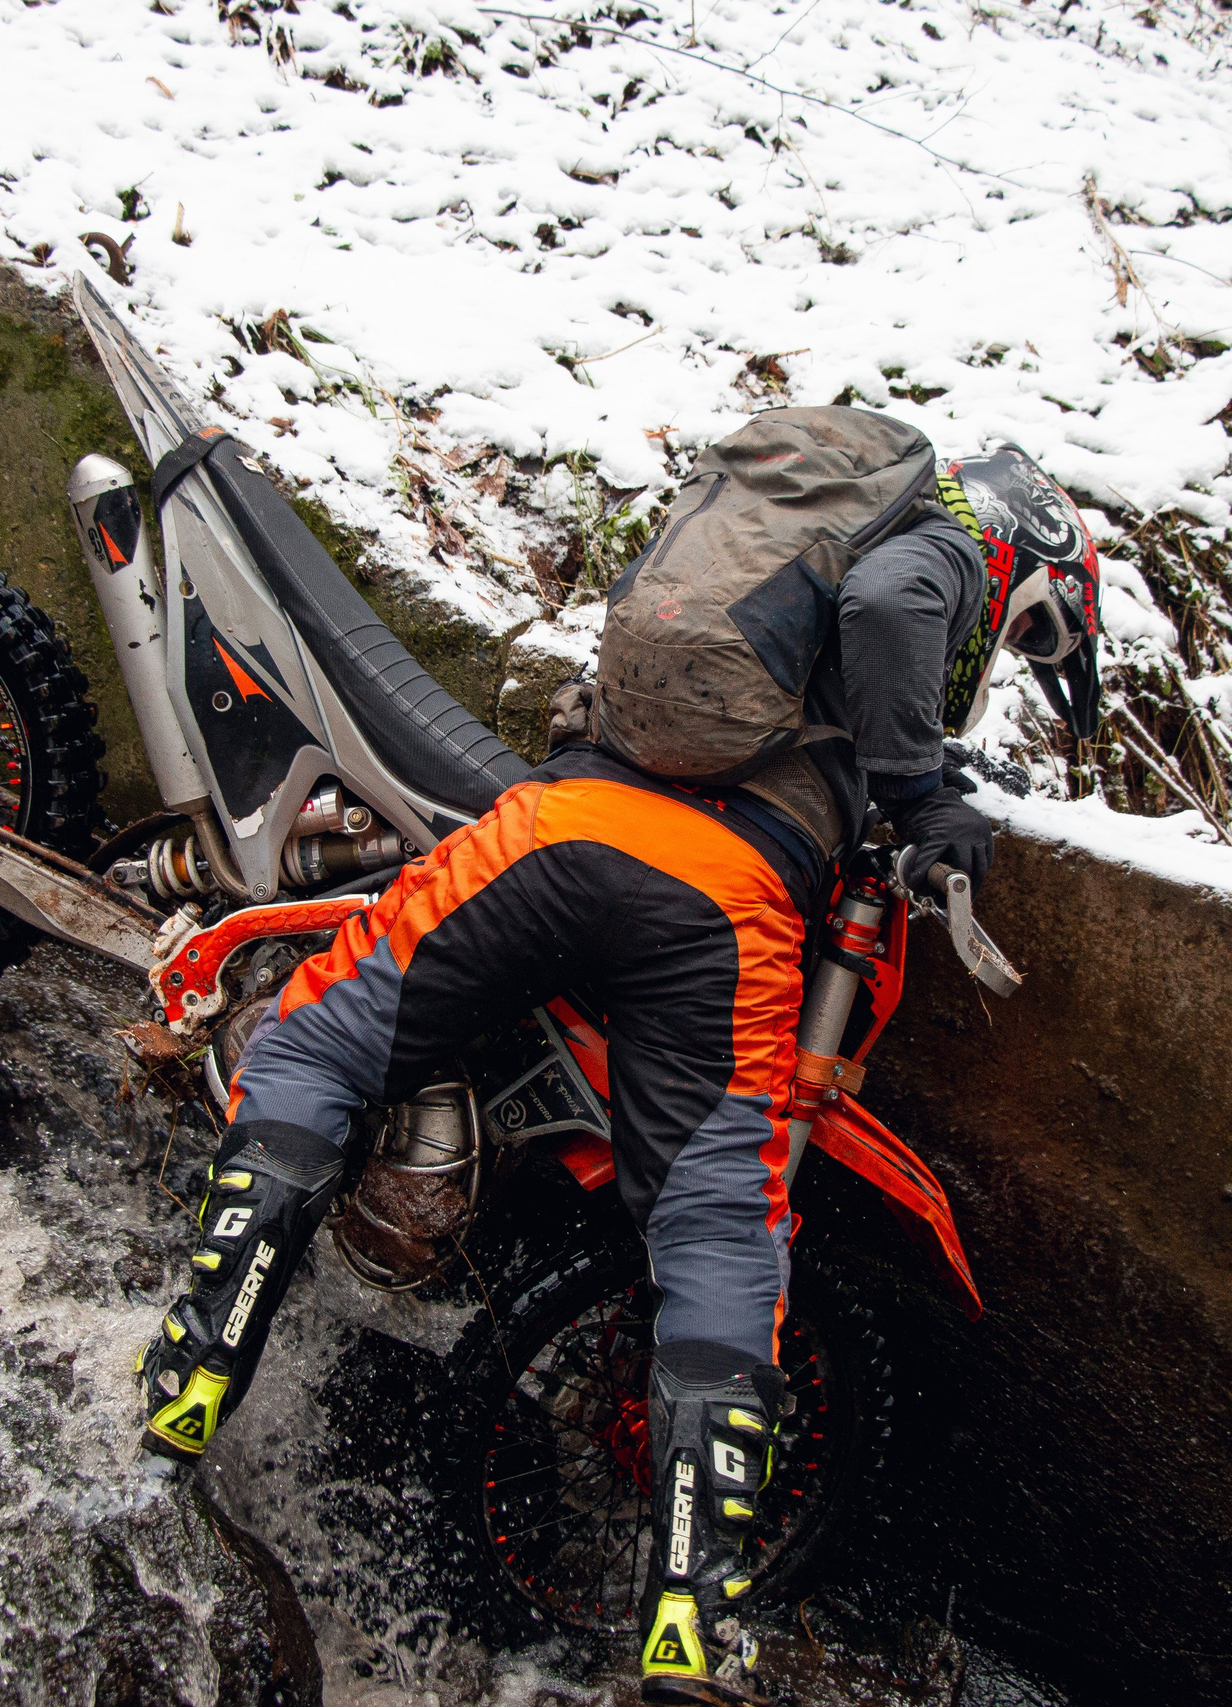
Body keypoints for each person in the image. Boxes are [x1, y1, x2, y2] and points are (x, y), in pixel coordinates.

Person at [136, 429, 1099, 1706]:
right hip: (718, 897)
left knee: (321, 1039)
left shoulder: (775, 533)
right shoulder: (936, 553)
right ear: (1023, 558)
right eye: (1025, 631)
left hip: (554, 825)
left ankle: (195, 1365)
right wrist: (923, 800)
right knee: (711, 1225)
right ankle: (688, 1619)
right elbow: (891, 608)